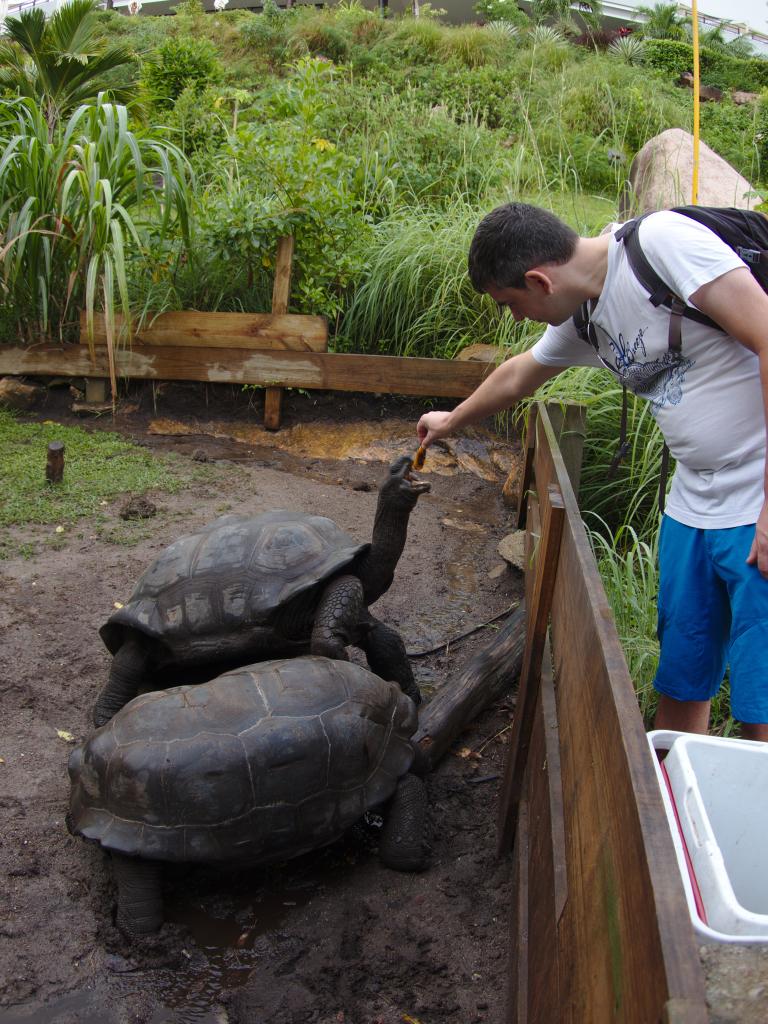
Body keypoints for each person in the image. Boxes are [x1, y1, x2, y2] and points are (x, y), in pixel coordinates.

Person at [417, 202, 768, 741]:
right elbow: (519, 375)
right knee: (681, 678)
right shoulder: (583, 312)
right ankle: (671, 809)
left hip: (757, 497)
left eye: (511, 303)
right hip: (693, 502)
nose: (516, 318)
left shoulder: (664, 246)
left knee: (758, 699)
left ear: (539, 279)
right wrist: (451, 420)